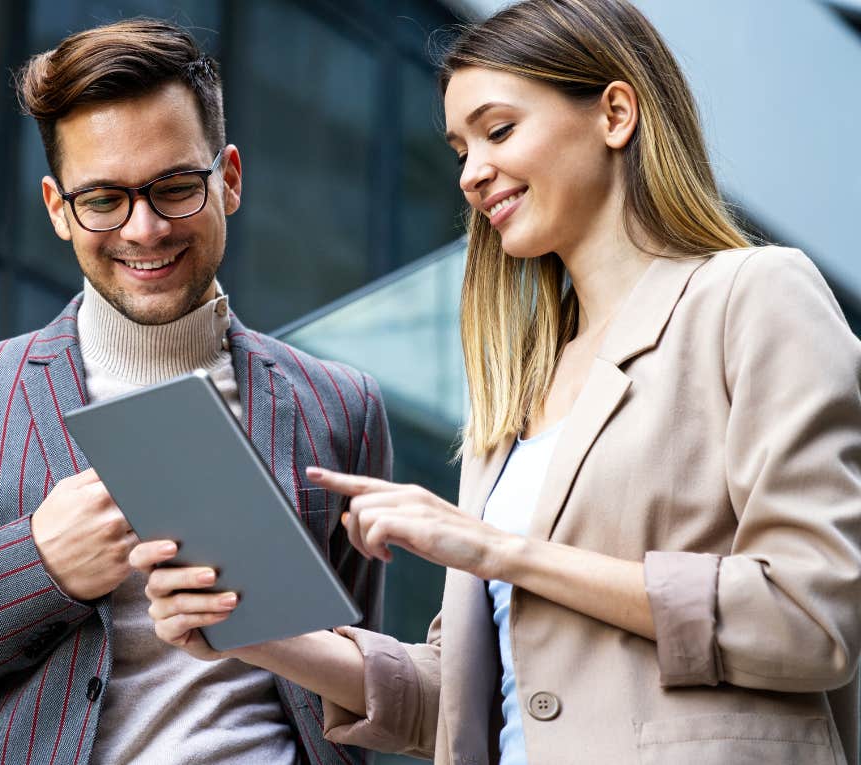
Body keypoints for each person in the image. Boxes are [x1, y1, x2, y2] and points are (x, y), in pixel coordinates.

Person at [131, 0, 861, 763]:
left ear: (615, 113)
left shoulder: (753, 295)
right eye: (459, 149)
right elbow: (467, 696)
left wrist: (493, 548)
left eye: (499, 130)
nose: (473, 173)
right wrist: (256, 630)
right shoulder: (518, 393)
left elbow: (810, 618)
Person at [0, 18, 390, 764]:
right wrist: (38, 567)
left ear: (232, 179)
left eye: (176, 187)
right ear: (59, 208)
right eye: (104, 200)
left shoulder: (341, 405)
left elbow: (362, 690)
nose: (145, 228)